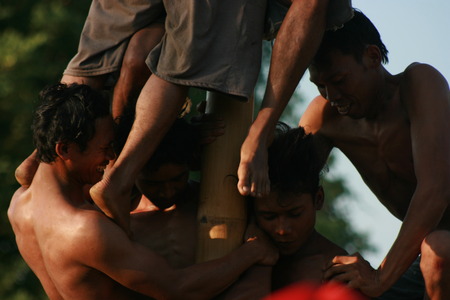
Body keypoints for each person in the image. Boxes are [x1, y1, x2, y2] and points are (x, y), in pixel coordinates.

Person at [86, 0, 355, 233]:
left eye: (174, 180)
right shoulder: (126, 207)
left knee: (96, 63)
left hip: (123, 143)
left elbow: (135, 58)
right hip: (122, 170)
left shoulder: (195, 185)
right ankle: (118, 175)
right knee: (189, 51)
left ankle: (101, 169)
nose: (167, 192)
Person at [8, 83, 278, 300]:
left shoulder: (19, 206)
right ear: (64, 150)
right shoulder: (85, 229)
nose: (111, 158)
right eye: (105, 149)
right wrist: (252, 252)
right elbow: (178, 288)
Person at [299, 10, 450, 299]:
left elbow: (435, 191)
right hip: (420, 264)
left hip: (437, 254)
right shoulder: (325, 117)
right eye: (320, 86)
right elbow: (285, 181)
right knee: (331, 285)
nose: (332, 95)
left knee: (439, 249)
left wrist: (380, 277)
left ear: (372, 56)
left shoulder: (419, 84)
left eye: (340, 80)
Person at [251, 123, 348, 290]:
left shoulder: (336, 269)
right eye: (269, 217)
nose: (282, 229)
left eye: (294, 214)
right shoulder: (239, 247)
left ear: (318, 199)